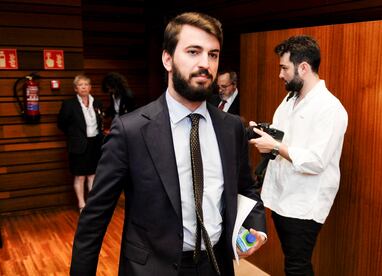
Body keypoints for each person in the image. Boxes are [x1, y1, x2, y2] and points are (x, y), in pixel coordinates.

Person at [70, 12, 267, 276]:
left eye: (213, 54)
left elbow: (247, 187)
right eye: (193, 51)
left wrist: (257, 227)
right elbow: (93, 220)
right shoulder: (131, 131)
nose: (205, 64)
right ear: (167, 59)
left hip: (216, 265)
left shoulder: (231, 127)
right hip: (152, 268)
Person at [249, 35, 348, 276]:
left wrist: (275, 146)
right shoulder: (289, 99)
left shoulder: (331, 108)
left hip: (304, 203)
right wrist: (265, 136)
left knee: (297, 265)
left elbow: (316, 161)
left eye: (284, 68)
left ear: (303, 68)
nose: (280, 74)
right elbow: (285, 137)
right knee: (292, 261)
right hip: (282, 197)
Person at [58, 75, 104, 213]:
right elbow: (61, 124)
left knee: (93, 175)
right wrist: (74, 136)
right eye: (80, 85)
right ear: (75, 89)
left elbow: (101, 121)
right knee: (80, 176)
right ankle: (82, 204)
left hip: (95, 144)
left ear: (90, 87)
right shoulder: (69, 104)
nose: (84, 87)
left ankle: (92, 203)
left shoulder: (97, 103)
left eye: (86, 84)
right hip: (78, 145)